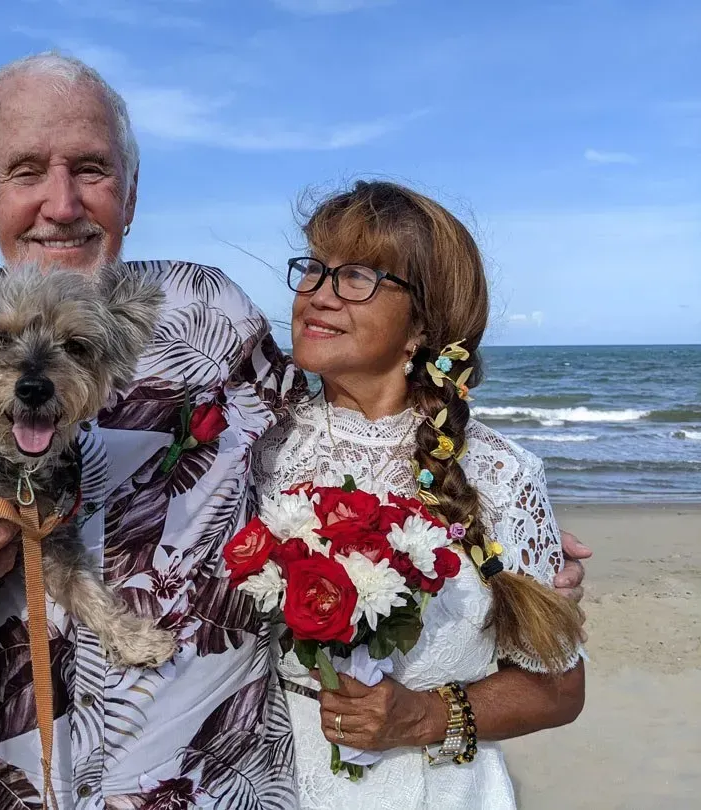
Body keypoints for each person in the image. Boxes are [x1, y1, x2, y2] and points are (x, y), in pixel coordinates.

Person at [0, 53, 591, 807]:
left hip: (222, 786)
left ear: (129, 189)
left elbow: (355, 417)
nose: (63, 202)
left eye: (91, 169)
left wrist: (484, 538)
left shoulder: (213, 313)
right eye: (26, 172)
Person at [251, 180, 586, 809]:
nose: (318, 296)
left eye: (358, 277)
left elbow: (561, 690)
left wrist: (424, 718)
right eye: (315, 269)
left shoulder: (499, 474)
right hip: (272, 784)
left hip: (439, 789)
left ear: (424, 324)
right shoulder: (252, 453)